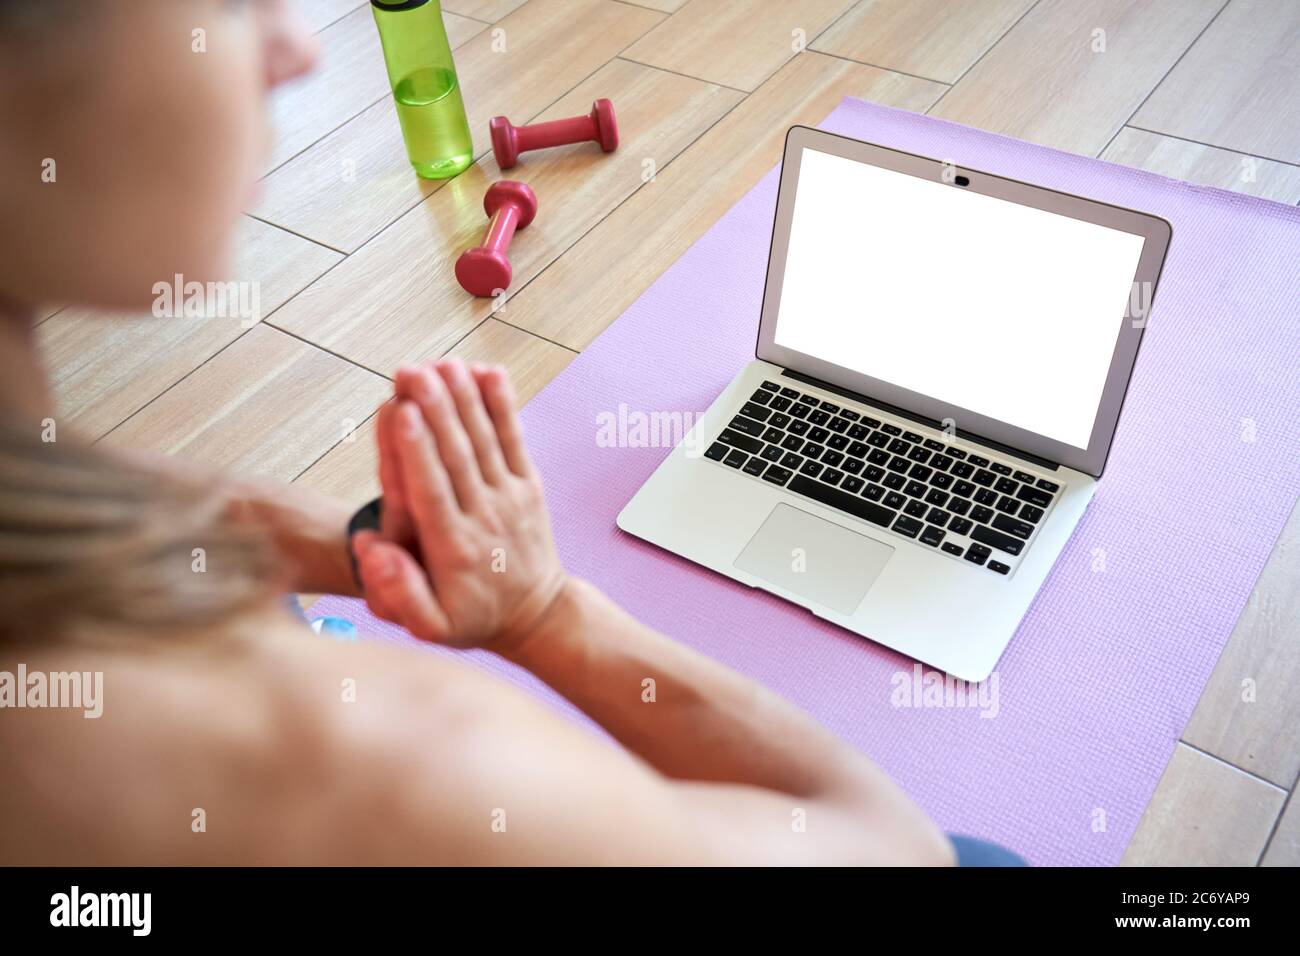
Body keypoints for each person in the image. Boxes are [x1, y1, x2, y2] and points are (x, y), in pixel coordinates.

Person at [0, 0, 990, 865]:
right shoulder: (366, 760)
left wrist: (368, 543)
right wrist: (542, 610)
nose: (299, 48)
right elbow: (887, 841)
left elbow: (145, 506)